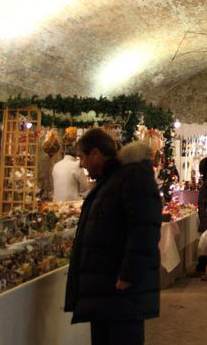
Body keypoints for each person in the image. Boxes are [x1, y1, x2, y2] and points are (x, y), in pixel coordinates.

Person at [65, 129, 161, 345]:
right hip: (106, 288)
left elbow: (144, 229)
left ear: (96, 153)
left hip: (120, 291)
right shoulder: (109, 180)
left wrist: (129, 274)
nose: (81, 164)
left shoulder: (131, 178)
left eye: (82, 157)